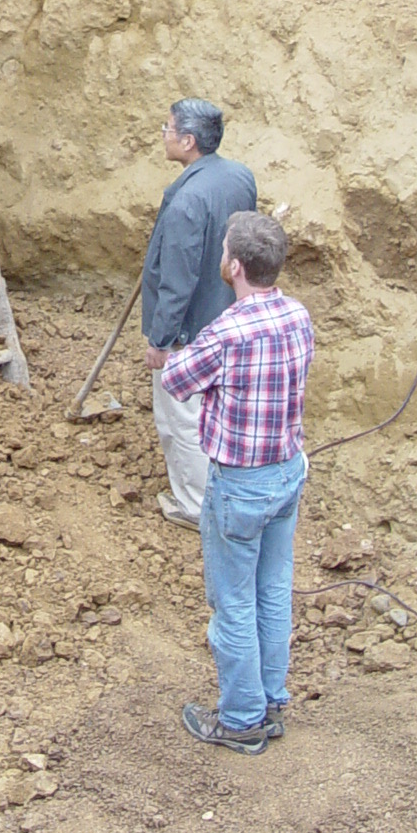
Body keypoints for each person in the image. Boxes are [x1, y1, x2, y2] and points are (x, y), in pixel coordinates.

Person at [152, 209, 314, 755]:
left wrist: (172, 341)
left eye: (224, 252)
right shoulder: (298, 315)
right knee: (273, 591)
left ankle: (242, 719)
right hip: (287, 474)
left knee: (234, 602)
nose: (220, 258)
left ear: (236, 266)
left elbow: (175, 378)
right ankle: (269, 701)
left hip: (241, 486)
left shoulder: (228, 331)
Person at [141, 98, 257, 526]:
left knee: (182, 418)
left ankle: (193, 504)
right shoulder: (239, 177)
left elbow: (178, 280)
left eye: (167, 128)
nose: (163, 134)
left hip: (190, 331)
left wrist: (162, 341)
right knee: (219, 410)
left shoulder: (187, 200)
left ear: (187, 141)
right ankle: (224, 481)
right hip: (228, 317)